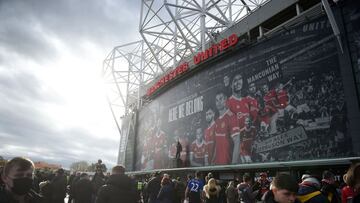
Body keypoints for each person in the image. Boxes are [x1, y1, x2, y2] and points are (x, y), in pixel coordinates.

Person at [214, 91, 237, 165]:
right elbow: (217, 144)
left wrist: (234, 165)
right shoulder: (217, 121)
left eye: (221, 99)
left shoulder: (231, 116)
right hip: (217, 165)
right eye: (217, 100)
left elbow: (237, 142)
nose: (218, 102)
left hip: (228, 164)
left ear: (225, 100)